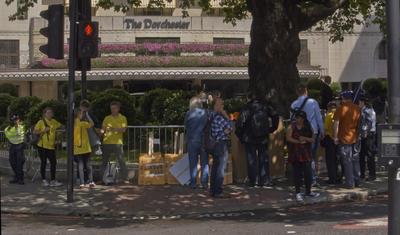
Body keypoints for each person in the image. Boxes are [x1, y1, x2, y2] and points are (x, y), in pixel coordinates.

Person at [235, 91, 279, 187]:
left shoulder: (247, 107)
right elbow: (275, 115)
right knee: (264, 159)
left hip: (249, 137)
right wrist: (271, 129)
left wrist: (240, 135)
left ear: (249, 98)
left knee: (251, 160)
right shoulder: (265, 106)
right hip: (263, 136)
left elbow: (240, 123)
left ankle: (253, 181)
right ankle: (265, 180)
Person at [290, 84, 325, 187]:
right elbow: (319, 117)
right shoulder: (313, 102)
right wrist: (322, 130)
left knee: (300, 155)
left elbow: (292, 120)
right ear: (306, 91)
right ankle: (311, 179)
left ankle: (300, 178)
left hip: (298, 133)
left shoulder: (293, 104)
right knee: (311, 157)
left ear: (297, 92)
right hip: (311, 131)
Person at [286, 111, 320, 202]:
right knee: (297, 173)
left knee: (307, 173)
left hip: (306, 153)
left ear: (303, 119)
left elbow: (313, 139)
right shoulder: (292, 126)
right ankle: (298, 192)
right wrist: (298, 141)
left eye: (298, 117)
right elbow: (288, 137)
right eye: (295, 117)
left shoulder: (308, 127)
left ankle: (308, 191)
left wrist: (305, 138)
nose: (296, 119)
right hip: (295, 153)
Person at [333, 90, 362, 189]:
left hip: (344, 137)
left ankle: (350, 183)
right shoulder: (358, 108)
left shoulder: (340, 109)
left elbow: (336, 124)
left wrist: (335, 137)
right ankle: (357, 180)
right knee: (355, 159)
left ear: (343, 98)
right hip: (356, 136)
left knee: (347, 160)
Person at [33, 107, 65, 187]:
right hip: (42, 145)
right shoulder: (41, 122)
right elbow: (34, 131)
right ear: (44, 114)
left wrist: (71, 126)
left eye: (50, 112)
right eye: (47, 112)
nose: (49, 114)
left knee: (53, 163)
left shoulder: (54, 122)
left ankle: (53, 180)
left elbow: (61, 126)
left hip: (51, 146)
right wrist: (43, 131)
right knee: (43, 162)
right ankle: (43, 180)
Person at [209, 97, 233, 198]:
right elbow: (230, 127)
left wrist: (227, 129)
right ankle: (218, 191)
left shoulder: (210, 115)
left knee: (215, 167)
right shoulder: (219, 117)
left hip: (214, 143)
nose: (223, 106)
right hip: (221, 144)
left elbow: (228, 129)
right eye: (221, 104)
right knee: (221, 168)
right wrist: (226, 116)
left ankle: (213, 190)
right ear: (215, 106)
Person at [101, 101, 129, 184]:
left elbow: (123, 129)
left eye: (114, 109)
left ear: (118, 109)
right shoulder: (107, 118)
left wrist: (113, 129)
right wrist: (100, 131)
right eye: (111, 109)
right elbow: (103, 129)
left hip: (117, 141)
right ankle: (102, 178)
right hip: (107, 141)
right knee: (104, 161)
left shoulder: (122, 118)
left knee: (121, 160)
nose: (112, 110)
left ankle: (125, 178)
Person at [184, 97, 209, 189]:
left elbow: (186, 125)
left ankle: (193, 183)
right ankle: (204, 182)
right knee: (204, 162)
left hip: (192, 139)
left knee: (193, 162)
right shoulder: (206, 112)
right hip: (203, 140)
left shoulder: (188, 113)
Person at [76, 99, 102, 185]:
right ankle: (85, 179)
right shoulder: (81, 122)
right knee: (83, 163)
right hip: (81, 144)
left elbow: (95, 123)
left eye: (86, 107)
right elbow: (92, 124)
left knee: (83, 163)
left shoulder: (78, 122)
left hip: (82, 143)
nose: (84, 109)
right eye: (82, 107)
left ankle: (83, 181)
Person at [74, 108, 96, 189]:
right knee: (88, 164)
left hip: (76, 147)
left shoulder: (72, 124)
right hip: (85, 147)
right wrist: (87, 115)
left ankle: (81, 183)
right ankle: (91, 181)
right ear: (79, 115)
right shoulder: (83, 123)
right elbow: (92, 124)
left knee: (80, 165)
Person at [322, 102, 342, 185]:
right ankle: (339, 177)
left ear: (329, 108)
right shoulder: (340, 114)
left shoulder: (329, 116)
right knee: (337, 159)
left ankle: (332, 178)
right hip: (339, 138)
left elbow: (325, 128)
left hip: (330, 138)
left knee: (330, 159)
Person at [358, 92, 377, 181]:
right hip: (363, 134)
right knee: (361, 155)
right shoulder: (362, 110)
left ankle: (372, 174)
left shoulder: (369, 111)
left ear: (363, 102)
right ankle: (361, 173)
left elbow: (368, 124)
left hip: (368, 134)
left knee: (369, 154)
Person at [5, 114, 26, 185]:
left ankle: (20, 178)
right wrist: (11, 132)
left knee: (19, 162)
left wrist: (11, 132)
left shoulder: (20, 127)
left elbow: (17, 132)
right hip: (12, 146)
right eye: (14, 120)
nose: (16, 121)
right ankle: (17, 176)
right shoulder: (9, 128)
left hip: (19, 146)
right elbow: (7, 134)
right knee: (12, 161)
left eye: (17, 120)